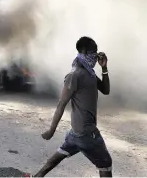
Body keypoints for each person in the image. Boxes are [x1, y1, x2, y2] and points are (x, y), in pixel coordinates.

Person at [34, 36, 112, 177]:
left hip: (75, 134)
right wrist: (51, 130)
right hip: (87, 134)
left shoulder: (90, 73)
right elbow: (61, 104)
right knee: (105, 164)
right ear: (83, 52)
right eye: (93, 52)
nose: (96, 56)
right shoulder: (75, 75)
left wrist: (104, 68)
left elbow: (106, 90)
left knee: (57, 157)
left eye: (97, 52)